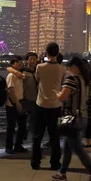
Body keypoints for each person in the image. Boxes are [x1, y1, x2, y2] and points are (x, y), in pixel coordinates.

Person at [51, 57, 91, 181]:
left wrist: (56, 94)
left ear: (74, 67)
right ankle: (62, 173)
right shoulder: (86, 80)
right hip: (82, 116)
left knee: (78, 149)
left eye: (69, 67)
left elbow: (63, 97)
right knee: (68, 146)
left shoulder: (72, 79)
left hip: (72, 118)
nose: (68, 69)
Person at [31, 42, 66, 170]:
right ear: (58, 53)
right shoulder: (62, 69)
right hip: (55, 105)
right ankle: (55, 163)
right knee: (55, 136)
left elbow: (37, 80)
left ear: (46, 52)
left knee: (37, 136)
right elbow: (62, 84)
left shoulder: (40, 67)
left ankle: (35, 162)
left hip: (40, 104)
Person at [5, 56, 28, 154]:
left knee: (22, 125)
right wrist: (17, 103)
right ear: (13, 64)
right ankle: (9, 147)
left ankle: (18, 145)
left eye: (21, 62)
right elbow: (10, 90)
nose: (20, 64)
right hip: (12, 104)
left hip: (20, 103)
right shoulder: (11, 76)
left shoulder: (19, 75)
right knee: (11, 126)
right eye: (17, 62)